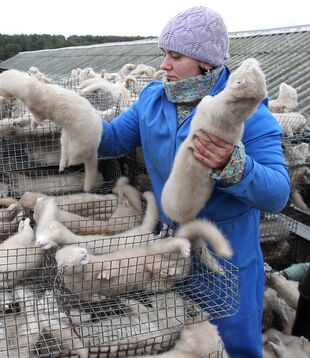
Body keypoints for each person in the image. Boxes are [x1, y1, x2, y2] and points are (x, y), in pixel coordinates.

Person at [98, 6, 290, 358]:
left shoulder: (249, 115)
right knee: (183, 344)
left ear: (205, 62)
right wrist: (63, 113)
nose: (164, 65)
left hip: (226, 261)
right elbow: (111, 140)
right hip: (174, 253)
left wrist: (234, 166)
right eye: (164, 55)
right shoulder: (152, 100)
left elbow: (277, 193)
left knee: (232, 347)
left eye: (175, 56)